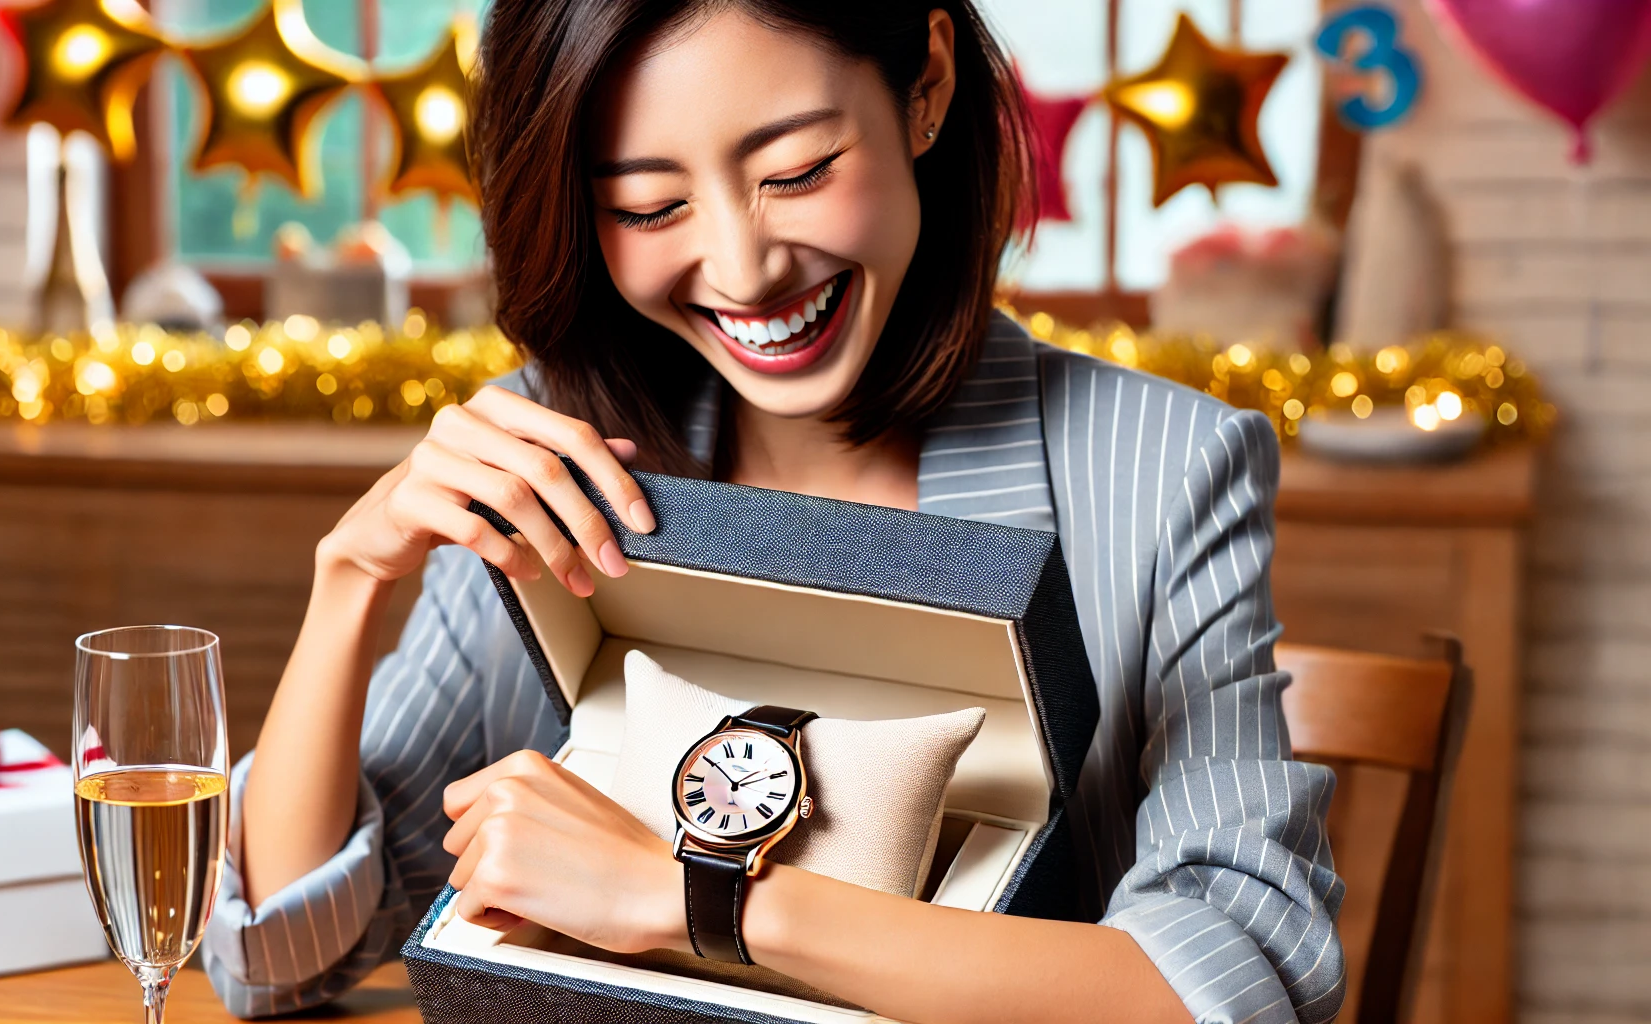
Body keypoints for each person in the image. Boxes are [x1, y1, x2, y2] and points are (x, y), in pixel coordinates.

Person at [200, 3, 1345, 1022]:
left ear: (927, 84)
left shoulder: (1162, 465)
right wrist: (351, 576)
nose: (742, 269)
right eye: (650, 205)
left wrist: (687, 895)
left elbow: (1237, 979)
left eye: (795, 170)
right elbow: (281, 958)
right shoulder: (556, 449)